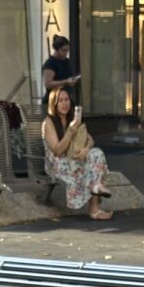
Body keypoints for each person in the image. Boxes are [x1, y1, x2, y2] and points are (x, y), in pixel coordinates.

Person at [42, 86, 111, 221]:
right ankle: (95, 204)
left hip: (75, 160)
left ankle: (95, 195)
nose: (64, 103)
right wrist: (71, 130)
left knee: (96, 154)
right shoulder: (48, 123)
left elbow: (90, 139)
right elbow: (57, 151)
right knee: (93, 170)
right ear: (54, 104)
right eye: (60, 100)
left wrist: (86, 149)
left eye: (66, 99)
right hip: (58, 165)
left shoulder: (73, 118)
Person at [41, 34, 77, 108]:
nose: (65, 53)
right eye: (63, 50)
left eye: (67, 50)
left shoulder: (67, 61)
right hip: (52, 101)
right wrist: (66, 82)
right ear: (56, 50)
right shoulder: (50, 63)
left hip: (65, 99)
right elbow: (48, 84)